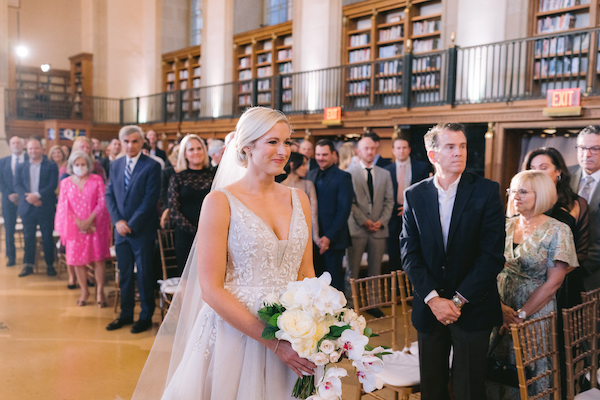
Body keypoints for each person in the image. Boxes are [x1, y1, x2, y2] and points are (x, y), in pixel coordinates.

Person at [131, 107, 316, 399]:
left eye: (287, 142)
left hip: (292, 329)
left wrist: (315, 327)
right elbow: (211, 289)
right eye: (273, 142)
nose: (283, 151)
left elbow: (306, 272)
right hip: (237, 333)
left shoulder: (299, 198)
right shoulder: (220, 201)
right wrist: (274, 344)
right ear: (247, 147)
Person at [401, 123, 506, 400]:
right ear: (433, 155)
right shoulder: (414, 195)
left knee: (469, 389)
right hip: (430, 308)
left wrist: (457, 301)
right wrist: (435, 300)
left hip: (473, 307)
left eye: (462, 146)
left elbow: (492, 256)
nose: (459, 152)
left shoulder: (486, 191)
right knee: (432, 389)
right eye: (450, 147)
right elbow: (410, 254)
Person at [486, 170, 578, 399]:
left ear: (543, 195)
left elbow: (554, 282)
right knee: (494, 366)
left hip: (535, 312)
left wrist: (521, 315)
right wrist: (501, 310)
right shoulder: (504, 225)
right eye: (513, 190)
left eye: (523, 191)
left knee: (530, 369)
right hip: (499, 306)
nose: (515, 196)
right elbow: (487, 268)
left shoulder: (558, 230)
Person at [105, 125, 161, 334]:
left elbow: (150, 199)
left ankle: (145, 316)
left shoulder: (152, 166)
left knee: (145, 275)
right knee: (125, 274)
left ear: (142, 142)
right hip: (120, 232)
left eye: (135, 141)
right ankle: (125, 314)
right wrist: (118, 221)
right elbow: (109, 194)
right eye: (126, 142)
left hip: (142, 231)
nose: (130, 146)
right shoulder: (116, 165)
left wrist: (131, 224)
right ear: (121, 142)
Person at [523, 147, 588, 306]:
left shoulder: (576, 204)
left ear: (558, 171)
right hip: (523, 281)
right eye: (532, 168)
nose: (536, 173)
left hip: (562, 284)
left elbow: (581, 251)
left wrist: (550, 280)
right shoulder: (521, 202)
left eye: (543, 168)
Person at [55, 151, 111, 307]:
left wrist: (89, 221)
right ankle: (84, 291)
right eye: (77, 165)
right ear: (71, 166)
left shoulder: (96, 180)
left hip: (95, 225)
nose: (80, 167)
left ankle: (99, 291)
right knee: (78, 261)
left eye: (83, 164)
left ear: (89, 165)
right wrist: (79, 222)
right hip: (75, 228)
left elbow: (102, 202)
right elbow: (63, 206)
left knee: (98, 259)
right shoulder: (66, 183)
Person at [345, 136, 394, 304]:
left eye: (372, 148)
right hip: (358, 229)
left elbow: (389, 201)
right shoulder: (349, 173)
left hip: (379, 229)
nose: (370, 151)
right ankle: (350, 304)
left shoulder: (385, 173)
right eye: (366, 148)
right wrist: (363, 220)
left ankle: (374, 302)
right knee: (353, 270)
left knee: (376, 270)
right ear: (358, 151)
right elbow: (349, 202)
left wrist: (382, 221)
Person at [306, 139, 354, 291]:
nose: (320, 158)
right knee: (314, 283)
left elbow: (344, 209)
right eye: (318, 154)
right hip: (313, 241)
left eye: (325, 154)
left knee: (334, 284)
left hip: (334, 239)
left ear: (334, 155)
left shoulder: (343, 177)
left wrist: (328, 238)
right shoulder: (310, 175)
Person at [168, 134, 214, 275]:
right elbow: (173, 210)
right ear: (185, 154)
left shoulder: (214, 176)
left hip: (211, 233)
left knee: (210, 275)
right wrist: (195, 232)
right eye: (191, 149)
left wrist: (205, 232)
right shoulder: (177, 177)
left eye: (199, 148)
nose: (196, 152)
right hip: (185, 235)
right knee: (187, 278)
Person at [384, 136, 432, 272]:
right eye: (398, 148)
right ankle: (397, 288)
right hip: (392, 216)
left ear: (409, 150)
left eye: (404, 147)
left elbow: (424, 193)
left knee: (413, 252)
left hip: (415, 214)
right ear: (393, 150)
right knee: (394, 253)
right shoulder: (386, 170)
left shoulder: (421, 167)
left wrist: (408, 209)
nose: (401, 151)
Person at [15, 137, 59, 277]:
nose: (33, 151)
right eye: (30, 149)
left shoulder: (51, 165)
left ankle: (50, 265)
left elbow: (52, 185)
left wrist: (38, 195)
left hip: (45, 206)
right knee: (29, 237)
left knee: (47, 237)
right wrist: (29, 197)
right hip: (27, 206)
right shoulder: (21, 166)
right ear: (27, 150)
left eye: (36, 148)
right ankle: (28, 265)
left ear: (42, 149)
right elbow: (17, 185)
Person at [569, 125, 600, 290]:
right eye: (582, 148)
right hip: (561, 272)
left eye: (595, 149)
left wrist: (580, 266)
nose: (587, 154)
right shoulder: (565, 176)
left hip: (594, 275)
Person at [0, 136, 27, 267]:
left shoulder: (29, 160)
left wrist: (20, 195)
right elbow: (1, 181)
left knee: (28, 228)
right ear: (10, 146)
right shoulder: (3, 161)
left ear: (22, 145)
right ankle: (11, 257)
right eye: (13, 143)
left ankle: (29, 258)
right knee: (9, 230)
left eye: (18, 142)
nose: (16, 145)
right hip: (8, 200)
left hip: (26, 199)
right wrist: (9, 194)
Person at [281, 151, 319, 244]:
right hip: (286, 234)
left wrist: (315, 237)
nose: (306, 168)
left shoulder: (308, 185)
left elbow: (313, 213)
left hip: (305, 231)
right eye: (303, 164)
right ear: (292, 164)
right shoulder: (280, 186)